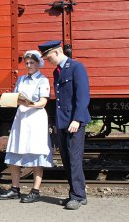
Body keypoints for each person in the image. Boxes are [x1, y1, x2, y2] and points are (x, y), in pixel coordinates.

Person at [38, 40, 91, 210]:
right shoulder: (57, 72)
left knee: (74, 159)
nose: (47, 61)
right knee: (67, 160)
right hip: (63, 121)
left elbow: (83, 97)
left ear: (56, 52)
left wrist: (77, 119)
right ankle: (77, 195)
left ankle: (77, 196)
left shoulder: (77, 67)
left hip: (74, 121)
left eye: (48, 57)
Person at [0, 50, 53, 203]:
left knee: (36, 154)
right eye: (27, 63)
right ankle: (15, 189)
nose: (28, 65)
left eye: (31, 63)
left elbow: (44, 101)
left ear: (38, 63)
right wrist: (12, 100)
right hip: (21, 118)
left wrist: (32, 103)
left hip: (35, 118)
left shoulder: (43, 80)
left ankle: (35, 191)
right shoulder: (21, 79)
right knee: (15, 151)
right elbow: (16, 97)